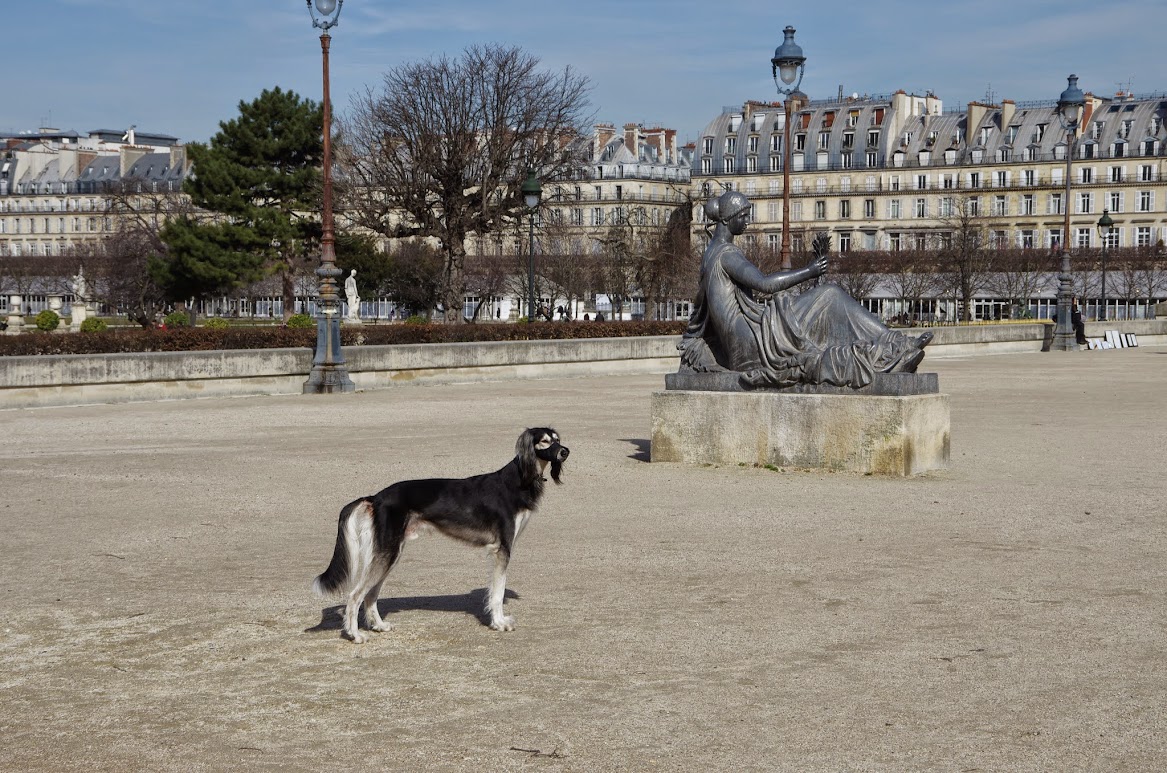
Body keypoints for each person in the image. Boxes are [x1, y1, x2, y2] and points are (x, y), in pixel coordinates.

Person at [678, 190, 931, 389]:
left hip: (748, 337)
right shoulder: (727, 254)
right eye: (743, 215)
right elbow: (764, 284)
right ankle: (895, 347)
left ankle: (894, 346)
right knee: (829, 295)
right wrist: (809, 271)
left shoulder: (711, 254)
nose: (748, 221)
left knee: (825, 302)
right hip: (755, 342)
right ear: (727, 218)